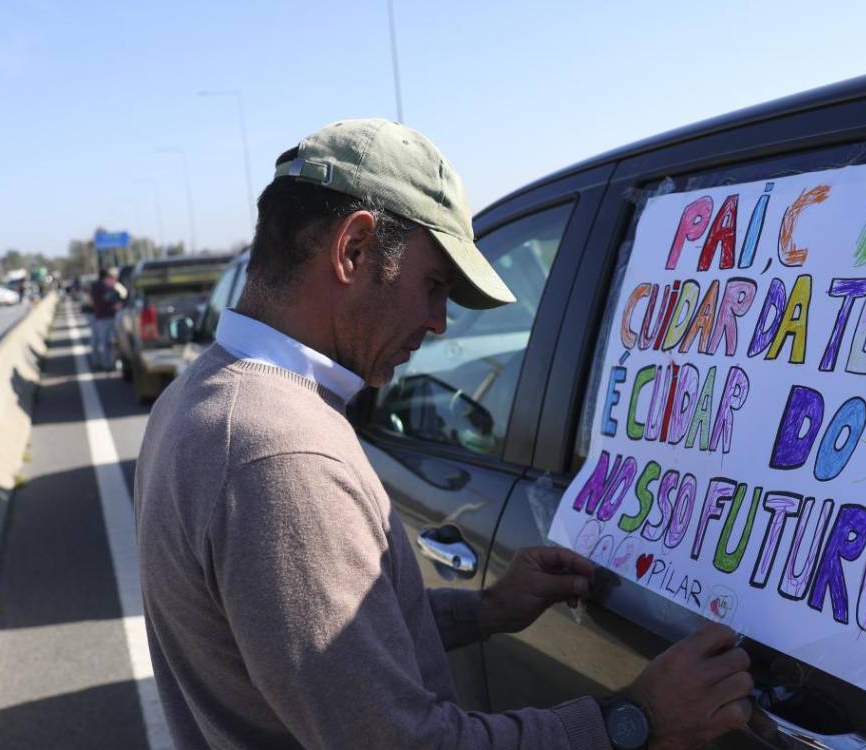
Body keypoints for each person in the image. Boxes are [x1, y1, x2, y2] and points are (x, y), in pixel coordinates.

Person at [134, 119, 753, 750]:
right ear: (353, 250)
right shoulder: (281, 455)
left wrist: (486, 611)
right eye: (433, 286)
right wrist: (636, 721)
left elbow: (311, 646)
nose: (438, 323)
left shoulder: (198, 397)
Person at [89, 267, 126, 371]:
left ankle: (106, 364)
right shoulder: (108, 286)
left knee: (105, 343)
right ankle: (113, 363)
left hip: (100, 317)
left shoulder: (95, 286)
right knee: (114, 342)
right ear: (107, 277)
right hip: (111, 317)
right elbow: (121, 295)